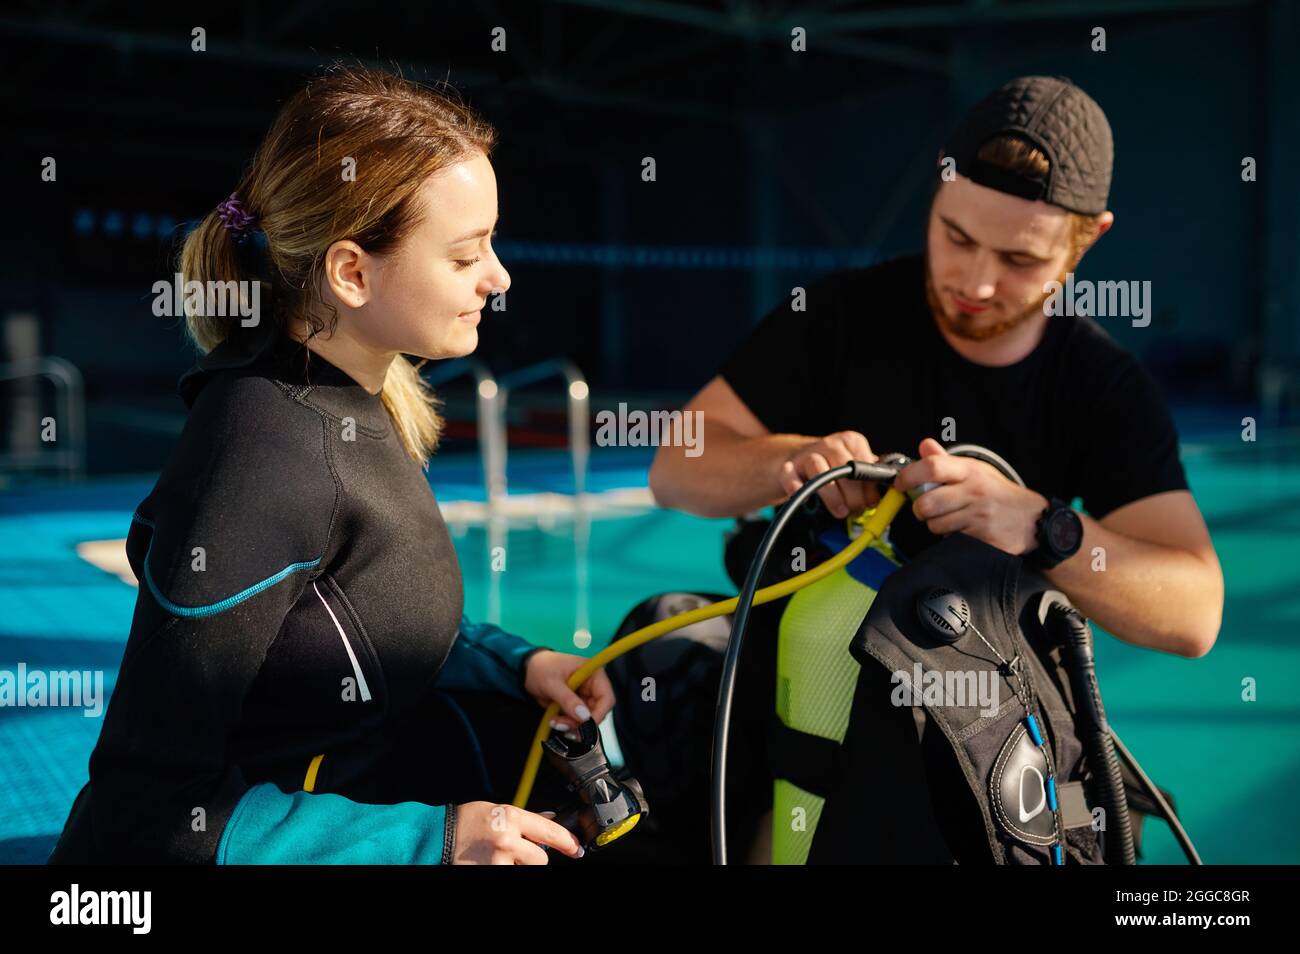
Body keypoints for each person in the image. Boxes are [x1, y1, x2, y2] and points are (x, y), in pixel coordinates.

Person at [647, 75, 1225, 860]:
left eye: (1020, 259)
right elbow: (675, 463)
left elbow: (1195, 612)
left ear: (1086, 241)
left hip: (982, 752)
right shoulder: (842, 317)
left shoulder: (1099, 385)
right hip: (803, 723)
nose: (976, 282)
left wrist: (1043, 528)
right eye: (956, 236)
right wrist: (789, 460)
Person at [48, 66, 614, 866]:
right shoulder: (264, 456)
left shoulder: (357, 400)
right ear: (352, 273)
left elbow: (345, 629)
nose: (500, 277)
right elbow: (150, 806)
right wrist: (429, 842)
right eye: (465, 256)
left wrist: (516, 664)